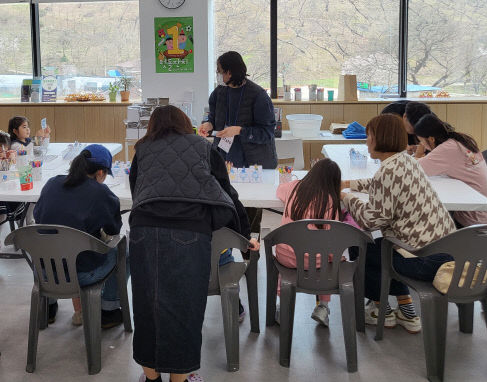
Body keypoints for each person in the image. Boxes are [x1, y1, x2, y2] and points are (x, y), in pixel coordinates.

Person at [129, 105, 259, 382]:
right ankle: (181, 379)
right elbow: (227, 193)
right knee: (185, 307)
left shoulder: (143, 148)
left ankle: (150, 378)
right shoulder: (202, 146)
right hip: (188, 232)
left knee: (146, 304)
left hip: (143, 231)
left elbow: (136, 189)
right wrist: (245, 237)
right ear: (185, 123)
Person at [341, 114, 456, 334]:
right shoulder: (406, 161)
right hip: (445, 251)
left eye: (368, 136)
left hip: (424, 260)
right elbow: (380, 184)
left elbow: (369, 221)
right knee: (387, 245)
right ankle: (405, 308)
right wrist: (349, 184)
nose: (366, 141)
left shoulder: (388, 170)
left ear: (379, 138)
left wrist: (345, 196)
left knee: (361, 248)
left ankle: (380, 309)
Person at [33, 144, 127, 329]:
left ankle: (48, 308)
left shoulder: (51, 183)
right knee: (123, 250)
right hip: (82, 274)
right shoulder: (100, 192)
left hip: (44, 272)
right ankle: (108, 311)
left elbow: (38, 217)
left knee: (47, 242)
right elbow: (113, 229)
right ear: (100, 172)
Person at [198, 51, 278, 261]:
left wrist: (240, 130)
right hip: (224, 162)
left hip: (254, 164)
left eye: (220, 71)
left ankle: (249, 259)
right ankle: (224, 257)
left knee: (250, 213)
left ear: (230, 72)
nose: (218, 75)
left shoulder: (258, 96)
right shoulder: (219, 93)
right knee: (224, 208)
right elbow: (212, 117)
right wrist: (208, 125)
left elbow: (267, 132)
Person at [275, 158, 360, 327]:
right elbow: (330, 241)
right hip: (315, 262)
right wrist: (336, 258)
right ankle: (323, 306)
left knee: (285, 267)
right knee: (328, 258)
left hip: (285, 256)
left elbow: (279, 190)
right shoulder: (330, 202)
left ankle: (281, 305)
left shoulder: (293, 187)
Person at [413, 114, 487, 227]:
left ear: (431, 139)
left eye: (422, 142)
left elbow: (414, 169)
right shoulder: (460, 140)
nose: (422, 145)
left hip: (473, 219)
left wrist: (418, 154)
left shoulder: (447, 149)